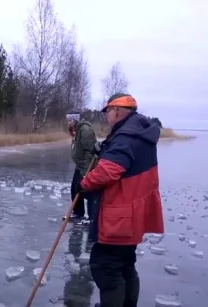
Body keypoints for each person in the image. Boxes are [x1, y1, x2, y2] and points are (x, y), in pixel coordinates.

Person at [79, 93, 164, 307]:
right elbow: (124, 160)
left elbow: (109, 171)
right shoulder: (138, 131)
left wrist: (85, 183)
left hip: (120, 215)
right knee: (125, 265)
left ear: (118, 111)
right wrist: (105, 148)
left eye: (107, 111)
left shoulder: (126, 136)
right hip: (133, 212)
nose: (106, 116)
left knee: (105, 268)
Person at [64, 111, 97, 224]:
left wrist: (85, 172)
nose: (68, 123)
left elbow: (90, 152)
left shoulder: (85, 131)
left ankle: (92, 217)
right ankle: (78, 213)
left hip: (86, 166)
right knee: (74, 189)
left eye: (69, 120)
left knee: (85, 191)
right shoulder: (77, 130)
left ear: (75, 120)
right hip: (79, 165)